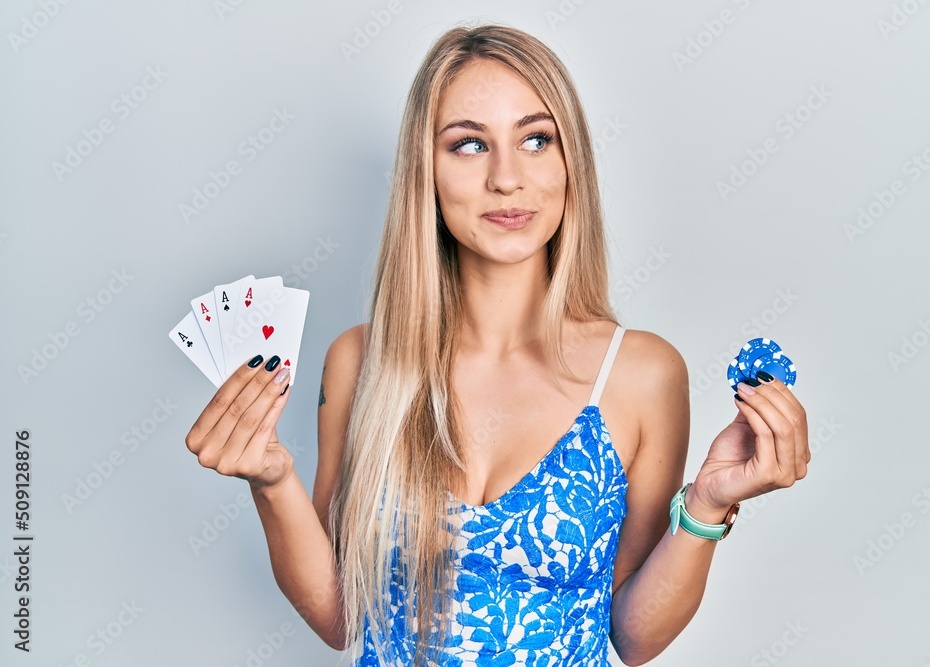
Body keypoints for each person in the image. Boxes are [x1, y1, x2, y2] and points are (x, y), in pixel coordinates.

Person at [184, 23, 809, 667]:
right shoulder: (359, 363)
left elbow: (635, 636)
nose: (506, 179)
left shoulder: (641, 373)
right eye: (469, 145)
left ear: (573, 164)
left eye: (536, 140)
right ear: (425, 171)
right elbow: (343, 616)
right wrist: (272, 480)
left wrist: (708, 505)